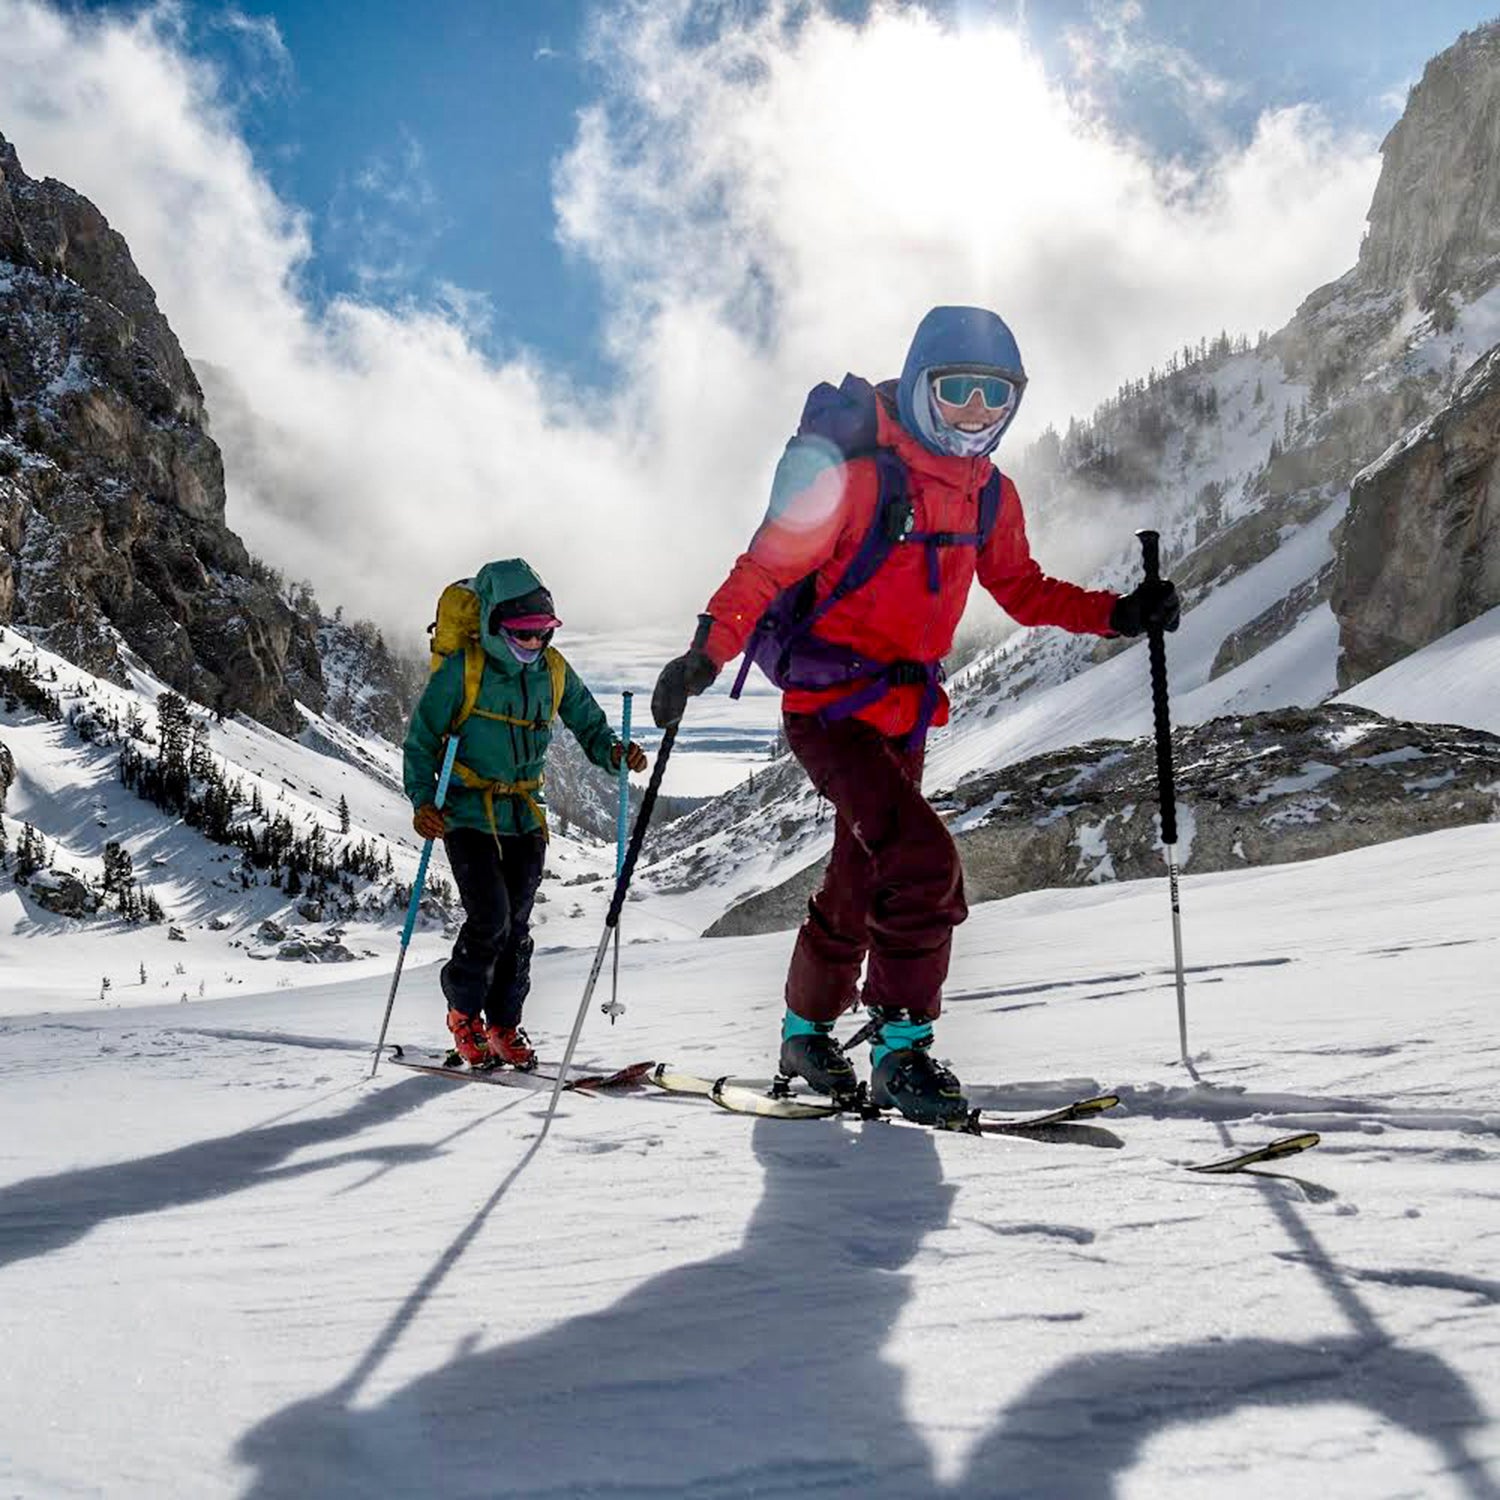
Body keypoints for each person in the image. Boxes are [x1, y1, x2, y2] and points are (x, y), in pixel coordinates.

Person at [651, 306, 1179, 1125]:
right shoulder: (859, 482)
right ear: (922, 384)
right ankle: (901, 1047)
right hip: (829, 708)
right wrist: (705, 651)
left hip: (903, 711)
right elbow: (764, 567)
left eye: (994, 396)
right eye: (957, 390)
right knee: (924, 863)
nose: (976, 412)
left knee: (862, 874)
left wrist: (1120, 614)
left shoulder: (989, 496)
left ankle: (804, 1034)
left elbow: (1024, 590)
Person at [404, 558, 647, 1070]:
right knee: (489, 916)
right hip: (466, 812)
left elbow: (588, 724)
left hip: (524, 815)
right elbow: (422, 739)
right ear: (493, 624)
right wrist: (422, 801)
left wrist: (613, 753)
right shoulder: (463, 670)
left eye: (544, 633)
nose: (535, 644)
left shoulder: (553, 671)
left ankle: (503, 1025)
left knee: (516, 925)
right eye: (523, 633)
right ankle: (463, 1013)